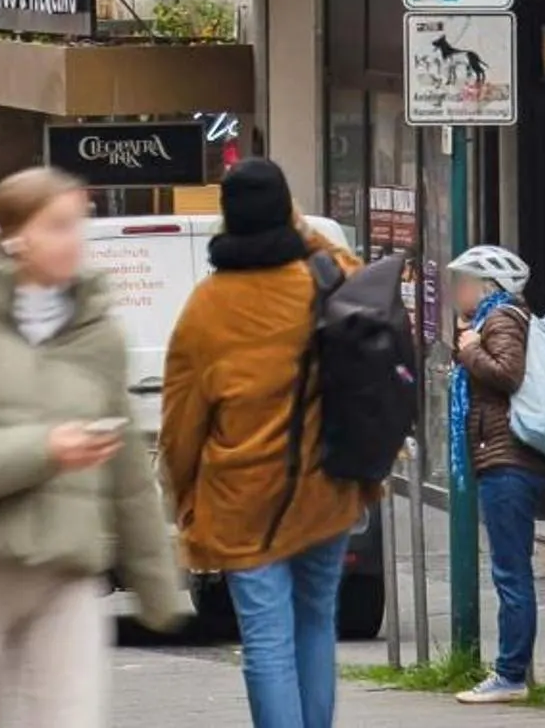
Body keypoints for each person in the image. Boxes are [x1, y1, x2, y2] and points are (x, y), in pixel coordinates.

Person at [0, 165, 185, 728]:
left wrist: (158, 585)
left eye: (80, 223)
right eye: (59, 225)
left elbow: (127, 473)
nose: (76, 239)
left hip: (67, 573)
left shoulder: (100, 335)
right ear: (15, 237)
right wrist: (46, 448)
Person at [161, 158, 364, 728]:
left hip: (243, 498)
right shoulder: (328, 276)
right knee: (316, 619)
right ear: (286, 211)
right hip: (328, 484)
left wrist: (184, 496)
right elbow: (365, 291)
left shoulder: (208, 308)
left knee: (267, 640)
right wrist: (297, 224)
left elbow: (181, 422)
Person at [449, 245, 545, 706]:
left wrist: (469, 351)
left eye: (463, 282)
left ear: (487, 286)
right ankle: (511, 670)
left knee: (511, 571)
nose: (456, 291)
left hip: (507, 459)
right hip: (501, 456)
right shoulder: (491, 320)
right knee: (510, 568)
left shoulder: (502, 318)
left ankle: (511, 674)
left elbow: (508, 374)